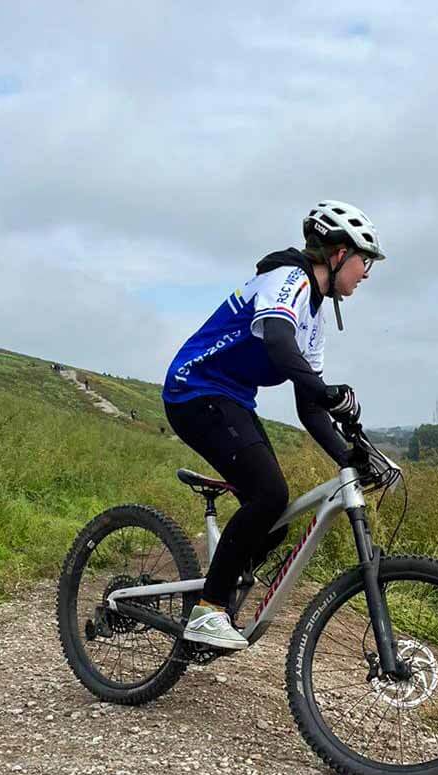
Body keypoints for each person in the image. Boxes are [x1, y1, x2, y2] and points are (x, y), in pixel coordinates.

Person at [162, 200, 384, 650]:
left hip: (231, 398)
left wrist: (352, 457)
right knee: (269, 495)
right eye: (365, 261)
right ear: (339, 252)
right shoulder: (289, 278)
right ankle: (209, 608)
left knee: (276, 519)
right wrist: (325, 392)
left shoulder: (317, 316)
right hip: (195, 389)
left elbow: (309, 405)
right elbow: (280, 342)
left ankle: (218, 595)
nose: (366, 273)